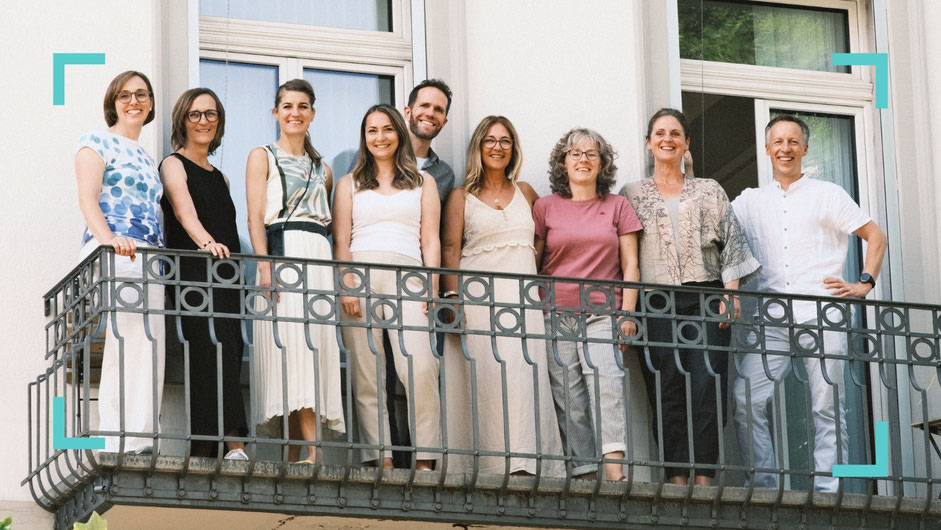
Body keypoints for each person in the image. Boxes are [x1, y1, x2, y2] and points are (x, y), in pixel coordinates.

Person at [731, 114, 887, 492]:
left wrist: (864, 282)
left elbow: (875, 236)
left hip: (824, 312)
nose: (785, 149)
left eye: (793, 142)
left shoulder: (827, 193)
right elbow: (718, 231)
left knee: (827, 405)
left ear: (804, 148)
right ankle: (765, 485)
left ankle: (827, 490)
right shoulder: (750, 201)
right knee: (744, 397)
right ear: (767, 149)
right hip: (771, 318)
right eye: (778, 142)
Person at [620, 108, 760, 485]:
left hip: (706, 298)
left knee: (707, 386)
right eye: (660, 133)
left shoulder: (709, 189)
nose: (668, 139)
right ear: (649, 142)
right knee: (665, 389)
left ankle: (704, 478)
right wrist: (627, 312)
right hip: (655, 302)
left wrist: (731, 294)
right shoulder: (630, 193)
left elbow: (731, 240)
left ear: (685, 143)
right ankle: (676, 477)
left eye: (675, 133)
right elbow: (626, 256)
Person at [440, 116, 564, 476]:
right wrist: (452, 300)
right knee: (486, 381)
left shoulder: (526, 192)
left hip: (522, 302)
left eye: (505, 141)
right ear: (479, 147)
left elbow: (549, 235)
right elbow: (450, 248)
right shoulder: (461, 196)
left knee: (523, 377)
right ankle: (483, 467)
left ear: (514, 148)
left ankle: (524, 464)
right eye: (490, 140)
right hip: (477, 303)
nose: (497, 147)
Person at [333, 104, 441, 470]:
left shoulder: (424, 182)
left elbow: (431, 238)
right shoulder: (348, 183)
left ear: (398, 132)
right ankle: (381, 457)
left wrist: (433, 284)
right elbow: (341, 241)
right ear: (364, 138)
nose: (380, 137)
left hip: (408, 276)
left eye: (387, 129)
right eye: (372, 131)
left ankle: (426, 457)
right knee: (368, 373)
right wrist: (347, 284)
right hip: (360, 277)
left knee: (421, 366)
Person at [533, 128, 642, 481]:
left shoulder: (617, 206)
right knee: (570, 398)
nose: (583, 160)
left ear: (602, 163)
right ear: (563, 162)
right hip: (555, 314)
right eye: (575, 153)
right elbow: (532, 264)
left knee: (606, 385)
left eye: (591, 154)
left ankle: (615, 472)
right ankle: (583, 475)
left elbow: (631, 265)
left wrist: (628, 312)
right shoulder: (545, 207)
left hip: (602, 313)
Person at [245, 79, 345, 463]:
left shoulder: (325, 168)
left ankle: (308, 450)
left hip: (316, 255)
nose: (294, 113)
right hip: (281, 254)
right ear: (275, 113)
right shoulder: (262, 156)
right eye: (287, 106)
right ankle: (300, 451)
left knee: (311, 346)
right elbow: (254, 217)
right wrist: (264, 265)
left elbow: (331, 224)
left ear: (312, 114)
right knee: (288, 347)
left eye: (302, 106)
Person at [74, 70, 165, 453]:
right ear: (113, 101)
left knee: (149, 344)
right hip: (115, 249)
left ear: (150, 105)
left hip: (150, 256)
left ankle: (143, 436)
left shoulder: (147, 156)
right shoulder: (95, 142)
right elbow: (88, 197)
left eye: (142, 95)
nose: (134, 101)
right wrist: (108, 241)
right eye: (125, 95)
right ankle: (116, 438)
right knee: (126, 338)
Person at [159, 88, 247, 460]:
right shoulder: (173, 164)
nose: (203, 122)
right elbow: (183, 212)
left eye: (210, 115)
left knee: (231, 350)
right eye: (195, 114)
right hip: (195, 274)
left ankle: (234, 445)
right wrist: (207, 244)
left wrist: (222, 255)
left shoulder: (223, 178)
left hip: (227, 275)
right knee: (206, 352)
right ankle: (207, 446)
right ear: (183, 120)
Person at [404, 79, 456, 206]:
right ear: (408, 113)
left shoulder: (445, 174)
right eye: (424, 105)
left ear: (444, 122)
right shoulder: (376, 156)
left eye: (438, 109)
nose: (430, 113)